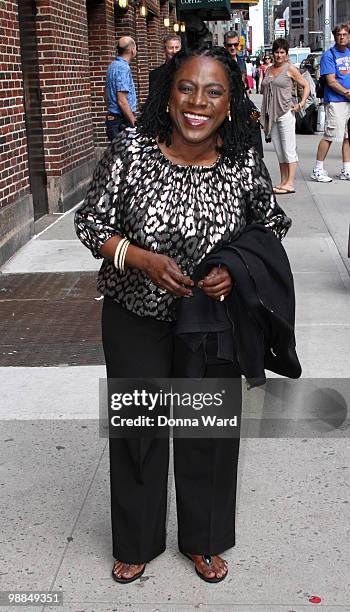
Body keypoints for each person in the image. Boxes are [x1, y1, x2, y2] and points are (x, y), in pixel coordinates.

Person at [75, 46, 293, 585]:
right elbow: (90, 223)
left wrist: (237, 270)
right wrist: (140, 258)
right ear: (168, 96)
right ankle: (137, 540)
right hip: (135, 313)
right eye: (186, 89)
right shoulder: (131, 151)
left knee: (208, 434)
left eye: (213, 91)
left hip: (213, 320)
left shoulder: (243, 159)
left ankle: (205, 539)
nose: (198, 103)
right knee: (139, 430)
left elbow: (272, 226)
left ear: (230, 103)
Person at [261, 38, 310, 194]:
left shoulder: (290, 69)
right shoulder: (268, 69)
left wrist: (301, 104)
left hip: (285, 112)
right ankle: (283, 181)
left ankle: (290, 183)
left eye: (282, 52)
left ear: (286, 54)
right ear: (273, 53)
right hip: (271, 114)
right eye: (276, 52)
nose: (279, 55)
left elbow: (306, 85)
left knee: (289, 149)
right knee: (279, 150)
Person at [310, 24, 350, 182]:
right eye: (339, 34)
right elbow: (331, 81)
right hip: (336, 101)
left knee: (349, 136)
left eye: (345, 34)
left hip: (347, 101)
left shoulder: (349, 53)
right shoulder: (329, 55)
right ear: (335, 36)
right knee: (329, 135)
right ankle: (318, 169)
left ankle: (346, 169)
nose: (342, 37)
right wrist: (347, 93)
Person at [105, 37, 137, 142]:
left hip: (113, 120)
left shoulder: (112, 66)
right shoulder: (123, 68)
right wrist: (133, 122)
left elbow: (105, 94)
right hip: (121, 122)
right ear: (132, 49)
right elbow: (122, 100)